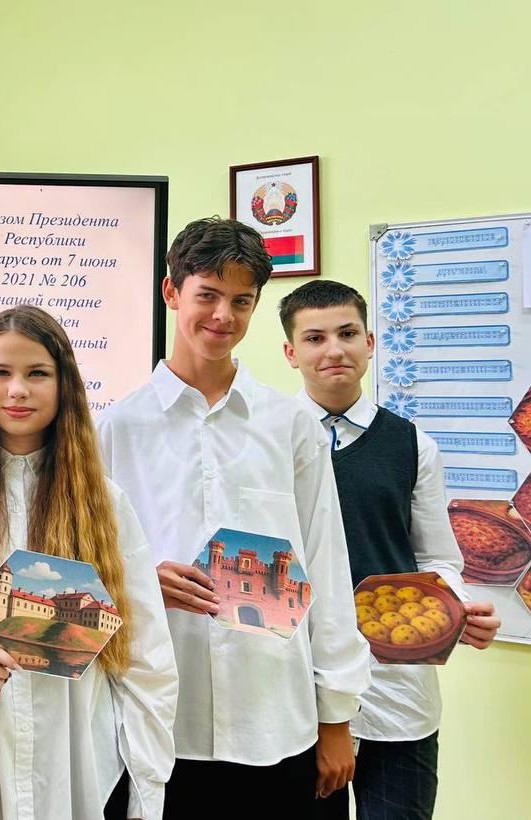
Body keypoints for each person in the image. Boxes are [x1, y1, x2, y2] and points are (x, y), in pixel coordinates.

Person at [95, 217, 372, 819]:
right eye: (208, 295)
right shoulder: (115, 429)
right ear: (171, 292)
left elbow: (326, 563)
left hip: (277, 719)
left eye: (241, 301)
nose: (223, 316)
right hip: (160, 721)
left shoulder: (289, 425)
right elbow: (87, 567)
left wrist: (336, 716)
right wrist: (139, 582)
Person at [0, 306, 178, 819]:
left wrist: (148, 793)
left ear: (63, 383)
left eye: (36, 374)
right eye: (0, 373)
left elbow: (147, 660)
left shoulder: (104, 504)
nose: (17, 390)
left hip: (77, 769)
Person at [279, 279, 501, 820]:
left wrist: (455, 609)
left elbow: (438, 558)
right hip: (297, 690)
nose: (334, 350)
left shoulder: (412, 444)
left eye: (347, 333)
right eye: (315, 338)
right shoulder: (267, 439)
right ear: (290, 352)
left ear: (371, 342)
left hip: (398, 693)